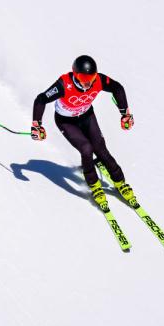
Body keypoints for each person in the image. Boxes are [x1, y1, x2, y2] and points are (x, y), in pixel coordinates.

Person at [31, 55, 136, 212]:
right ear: (74, 74)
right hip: (66, 121)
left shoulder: (98, 81)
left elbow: (117, 88)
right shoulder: (63, 84)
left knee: (100, 149)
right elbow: (41, 99)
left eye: (91, 77)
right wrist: (36, 125)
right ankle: (94, 185)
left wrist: (125, 113)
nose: (88, 82)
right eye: (82, 77)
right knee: (87, 149)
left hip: (87, 116)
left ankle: (120, 182)